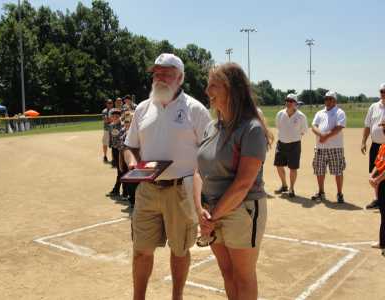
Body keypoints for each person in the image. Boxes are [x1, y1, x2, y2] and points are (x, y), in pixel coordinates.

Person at [123, 53, 211, 300]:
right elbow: (130, 146)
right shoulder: (142, 108)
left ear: (180, 78)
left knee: (180, 250)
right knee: (141, 250)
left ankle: (177, 297)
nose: (159, 77)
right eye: (156, 72)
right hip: (147, 190)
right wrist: (132, 164)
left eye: (166, 73)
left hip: (181, 190)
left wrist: (202, 198)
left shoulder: (195, 110)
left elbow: (209, 155)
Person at [194, 62, 273, 300]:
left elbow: (243, 184)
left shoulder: (251, 129)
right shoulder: (211, 127)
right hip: (211, 211)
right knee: (227, 273)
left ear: (231, 89)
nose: (207, 91)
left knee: (243, 276)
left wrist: (213, 216)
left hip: (242, 211)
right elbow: (199, 172)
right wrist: (201, 211)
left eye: (213, 85)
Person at [311, 91, 346, 203]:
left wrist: (326, 135)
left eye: (330, 98)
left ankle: (339, 193)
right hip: (320, 147)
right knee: (319, 170)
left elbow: (339, 127)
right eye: (326, 98)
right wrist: (321, 134)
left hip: (335, 147)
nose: (327, 100)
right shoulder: (320, 113)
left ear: (335, 100)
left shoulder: (339, 112)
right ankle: (321, 192)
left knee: (338, 171)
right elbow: (313, 126)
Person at [274, 93, 308, 197]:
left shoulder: (301, 116)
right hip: (281, 143)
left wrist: (292, 137)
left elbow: (303, 131)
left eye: (291, 101)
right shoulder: (280, 114)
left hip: (294, 145)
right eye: (287, 100)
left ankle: (291, 188)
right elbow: (278, 127)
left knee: (293, 168)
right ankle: (284, 185)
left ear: (295, 103)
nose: (288, 103)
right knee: (279, 166)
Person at [362, 83, 385, 210]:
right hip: (376, 145)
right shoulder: (374, 106)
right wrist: (363, 141)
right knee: (375, 172)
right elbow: (367, 125)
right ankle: (377, 199)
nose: (383, 93)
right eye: (381, 91)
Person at [369, 133, 385, 257]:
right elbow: (377, 163)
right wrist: (372, 176)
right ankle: (382, 242)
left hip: (382, 181)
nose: (383, 130)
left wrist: (377, 179)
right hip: (382, 183)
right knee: (383, 213)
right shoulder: (382, 146)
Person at [106, 109, 125, 198]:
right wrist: (113, 156)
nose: (115, 118)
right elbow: (110, 138)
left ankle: (119, 190)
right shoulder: (110, 126)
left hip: (121, 150)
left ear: (120, 117)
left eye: (117, 116)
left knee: (122, 170)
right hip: (114, 150)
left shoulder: (122, 126)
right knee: (119, 170)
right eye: (113, 116)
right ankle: (119, 190)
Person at [102, 99, 114, 163]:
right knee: (105, 143)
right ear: (106, 104)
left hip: (113, 130)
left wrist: (111, 119)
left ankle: (113, 159)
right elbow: (106, 120)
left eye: (111, 103)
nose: (110, 104)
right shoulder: (104, 111)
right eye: (108, 103)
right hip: (106, 130)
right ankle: (105, 156)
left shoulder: (114, 110)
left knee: (113, 144)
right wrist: (113, 119)